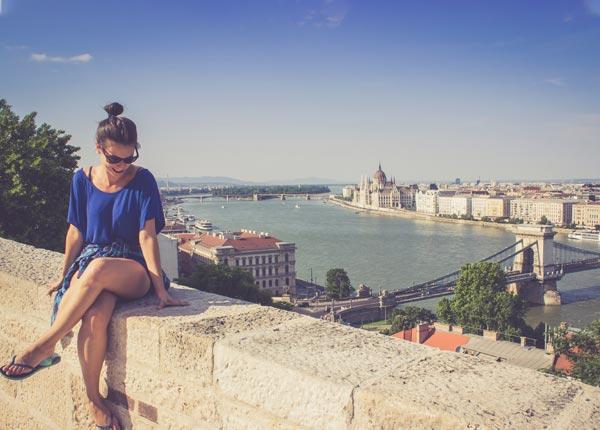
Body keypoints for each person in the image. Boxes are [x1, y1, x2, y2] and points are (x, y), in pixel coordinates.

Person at [0, 102, 189, 429]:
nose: (121, 165)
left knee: (99, 267)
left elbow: (146, 237)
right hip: (92, 266)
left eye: (129, 158)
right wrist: (63, 275)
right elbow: (76, 231)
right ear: (98, 148)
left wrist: (160, 289)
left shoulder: (143, 180)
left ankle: (44, 344)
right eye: (113, 158)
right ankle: (93, 400)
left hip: (132, 268)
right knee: (95, 317)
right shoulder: (81, 179)